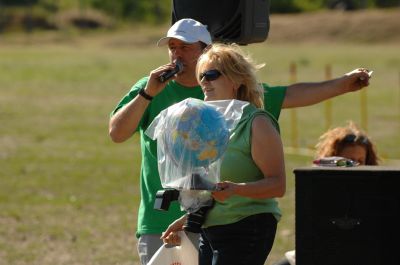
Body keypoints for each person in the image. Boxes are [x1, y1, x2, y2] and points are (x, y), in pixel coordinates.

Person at [108, 18, 372, 264]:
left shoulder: (243, 110)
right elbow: (117, 134)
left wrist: (342, 84)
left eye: (185, 47)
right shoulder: (153, 88)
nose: (176, 54)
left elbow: (291, 95)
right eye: (172, 47)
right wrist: (147, 93)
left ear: (205, 51)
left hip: (232, 223)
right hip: (169, 219)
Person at [161, 43, 286, 265]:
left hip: (247, 226)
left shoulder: (257, 123)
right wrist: (186, 219)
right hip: (211, 229)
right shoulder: (211, 128)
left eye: (212, 74)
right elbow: (213, 190)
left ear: (237, 80)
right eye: (201, 76)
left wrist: (236, 189)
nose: (204, 82)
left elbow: (278, 185)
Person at [273, 121, 379, 265]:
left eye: (360, 161)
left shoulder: (376, 189)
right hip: (318, 250)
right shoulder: (319, 183)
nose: (355, 166)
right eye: (348, 161)